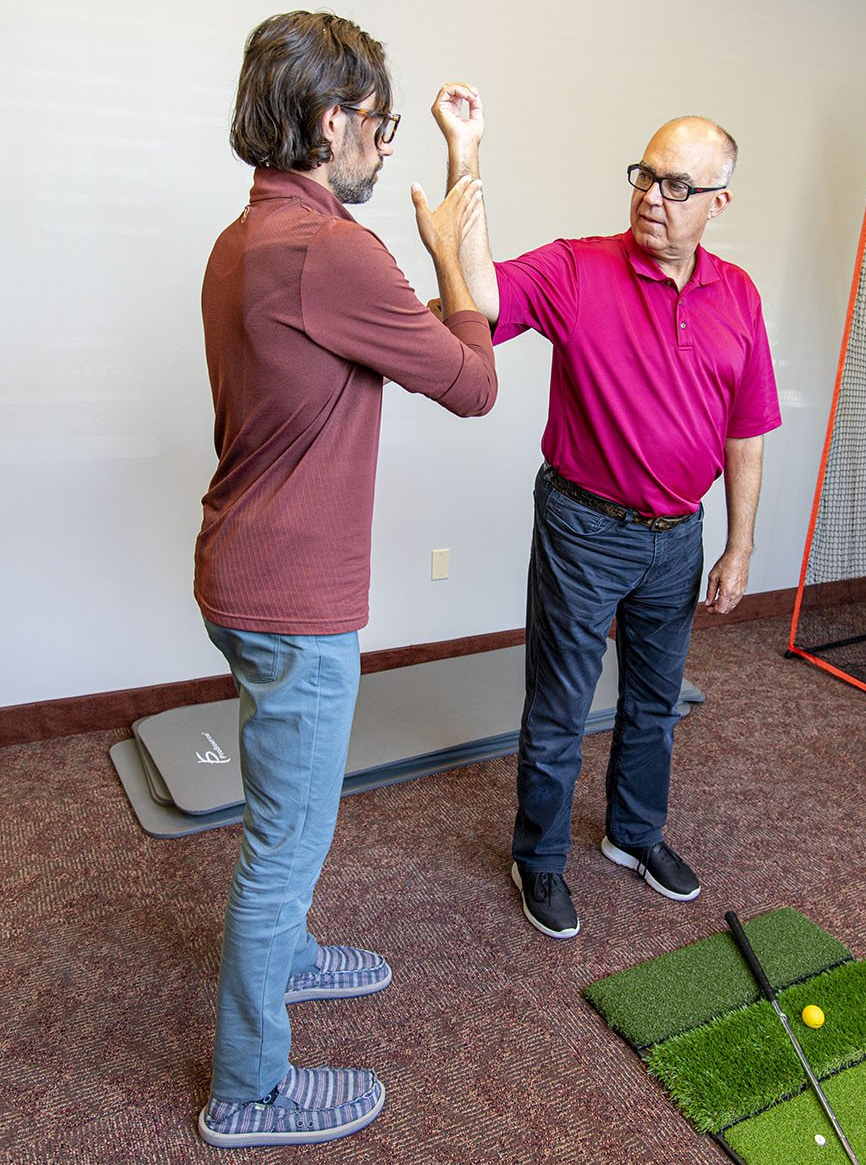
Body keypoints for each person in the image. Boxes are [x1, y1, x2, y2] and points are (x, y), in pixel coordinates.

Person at [193, 19, 497, 1148]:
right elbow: (475, 381)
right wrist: (449, 239)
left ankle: (300, 960)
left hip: (244, 572)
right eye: (379, 125)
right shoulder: (337, 253)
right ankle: (247, 1089)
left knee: (285, 814)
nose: (382, 146)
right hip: (290, 596)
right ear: (334, 124)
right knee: (285, 843)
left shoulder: (252, 233)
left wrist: (458, 181)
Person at [432, 85, 780, 940]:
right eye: (645, 177)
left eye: (676, 187)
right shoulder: (576, 268)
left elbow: (747, 431)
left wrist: (738, 544)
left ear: (718, 203)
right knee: (559, 711)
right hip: (584, 529)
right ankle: (539, 860)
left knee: (655, 705)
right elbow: (474, 297)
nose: (651, 198)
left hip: (679, 538)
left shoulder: (738, 296)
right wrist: (465, 152)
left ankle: (633, 835)